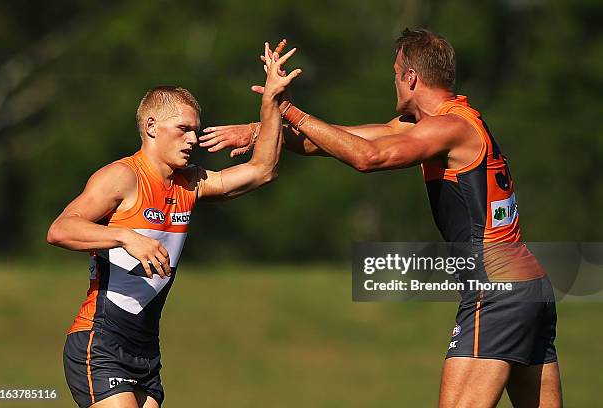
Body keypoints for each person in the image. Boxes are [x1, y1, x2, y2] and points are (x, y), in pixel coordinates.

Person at [200, 31, 562, 407]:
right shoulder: (441, 122)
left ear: (410, 78)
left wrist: (289, 110)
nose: (393, 80)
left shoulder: (448, 128)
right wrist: (263, 129)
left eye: (395, 73)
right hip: (530, 289)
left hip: (496, 290)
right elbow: (344, 140)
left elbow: (367, 158)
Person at [47, 43, 301, 408]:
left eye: (195, 131)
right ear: (152, 127)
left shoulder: (190, 182)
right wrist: (124, 236)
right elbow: (60, 229)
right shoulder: (122, 177)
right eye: (183, 129)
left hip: (146, 352)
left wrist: (274, 102)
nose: (193, 139)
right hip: (99, 342)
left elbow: (263, 170)